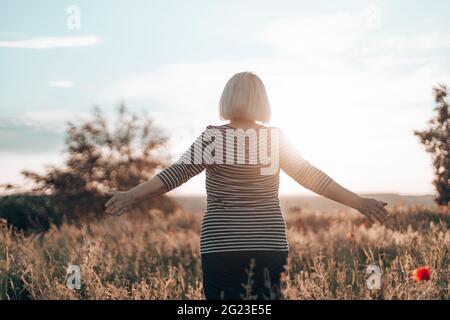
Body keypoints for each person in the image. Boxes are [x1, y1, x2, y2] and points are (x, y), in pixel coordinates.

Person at [105, 71, 389, 300]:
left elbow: (173, 175)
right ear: (262, 102)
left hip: (221, 245)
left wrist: (131, 196)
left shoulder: (213, 138)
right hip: (268, 244)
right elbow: (312, 177)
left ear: (227, 99)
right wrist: (360, 203)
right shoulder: (274, 139)